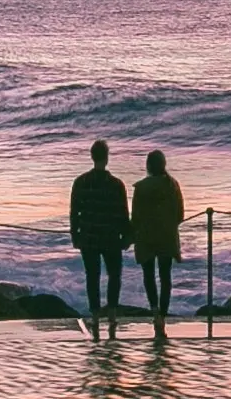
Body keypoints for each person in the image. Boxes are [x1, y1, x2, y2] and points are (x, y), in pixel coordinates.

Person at [67, 139, 130, 327]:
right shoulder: (116, 184)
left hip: (88, 237)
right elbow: (123, 214)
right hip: (111, 237)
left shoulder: (81, 182)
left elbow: (74, 212)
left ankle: (94, 315)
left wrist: (75, 236)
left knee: (92, 276)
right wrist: (126, 236)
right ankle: (112, 314)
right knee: (114, 275)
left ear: (92, 157)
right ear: (107, 158)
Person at [130, 150, 186, 329]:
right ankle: (162, 315)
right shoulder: (173, 185)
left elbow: (136, 218)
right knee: (165, 277)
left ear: (148, 166)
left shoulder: (141, 188)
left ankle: (154, 311)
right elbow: (180, 215)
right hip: (166, 237)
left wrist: (130, 236)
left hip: (146, 238)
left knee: (149, 276)